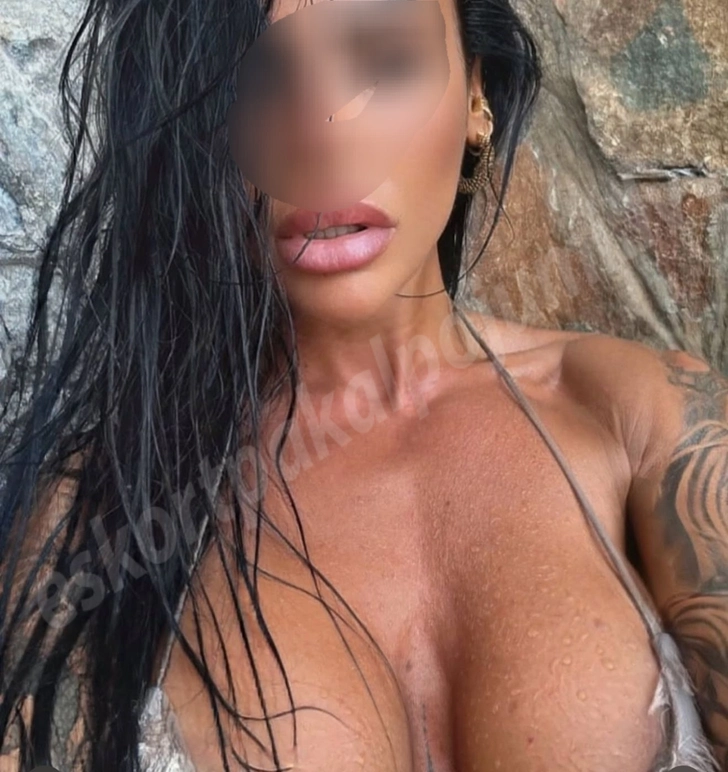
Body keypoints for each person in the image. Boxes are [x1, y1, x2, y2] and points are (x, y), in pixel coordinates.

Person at [0, 0, 726, 768]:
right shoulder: (101, 515)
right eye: (255, 78)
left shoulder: (645, 416)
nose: (324, 138)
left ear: (476, 99)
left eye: (386, 62)